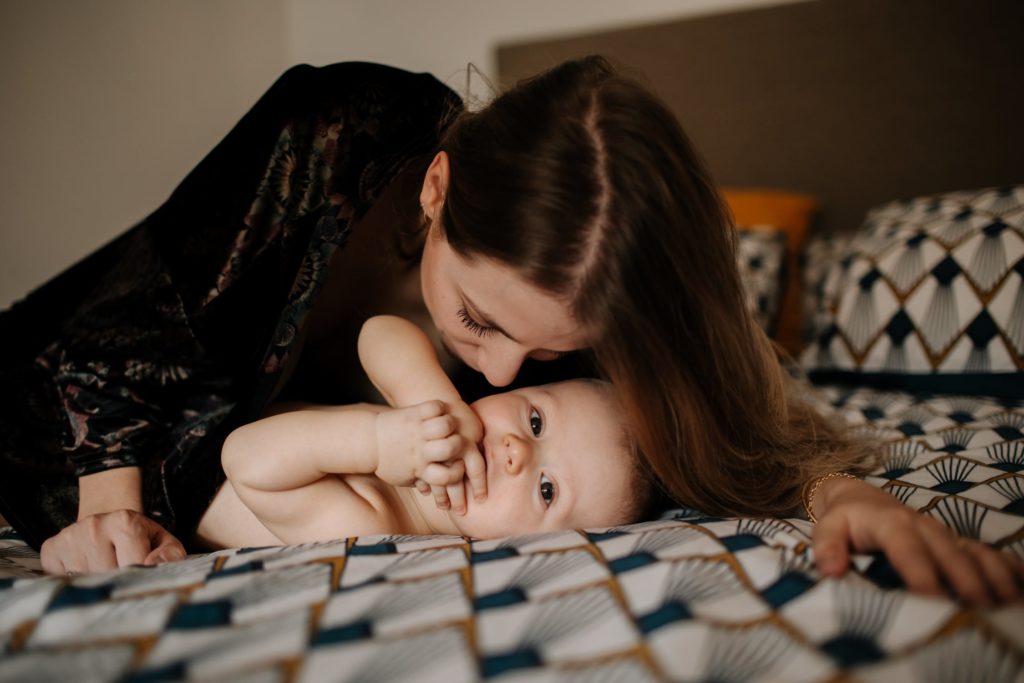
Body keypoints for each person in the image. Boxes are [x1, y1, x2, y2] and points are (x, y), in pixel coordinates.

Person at [1, 57, 1020, 606]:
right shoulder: (336, 131)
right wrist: (108, 509)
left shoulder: (590, 324)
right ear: (436, 190)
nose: (494, 373)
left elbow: (723, 428)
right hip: (79, 408)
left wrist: (843, 491)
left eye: (546, 358)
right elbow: (129, 322)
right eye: (479, 321)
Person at [197, 315, 649, 547]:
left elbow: (242, 457)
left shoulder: (372, 524)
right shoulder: (436, 427)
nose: (517, 452)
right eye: (535, 422)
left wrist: (377, 443)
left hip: (185, 480)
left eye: (547, 491)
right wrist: (430, 398)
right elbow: (379, 331)